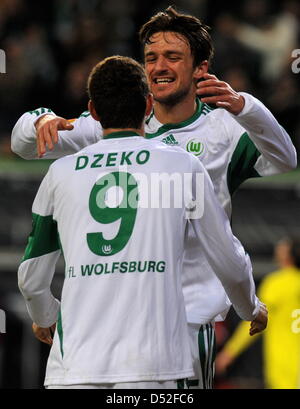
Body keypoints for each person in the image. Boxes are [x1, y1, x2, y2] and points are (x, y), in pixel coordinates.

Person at [12, 7, 296, 388]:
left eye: (173, 56)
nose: (159, 66)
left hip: (184, 323)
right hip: (112, 323)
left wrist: (244, 105)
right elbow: (24, 144)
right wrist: (39, 121)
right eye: (151, 58)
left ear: (201, 67)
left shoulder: (223, 129)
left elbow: (284, 157)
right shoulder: (115, 124)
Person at [216, 238, 300, 389]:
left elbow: (254, 321)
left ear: (289, 255)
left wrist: (229, 352)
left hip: (285, 368)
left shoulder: (277, 284)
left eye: (283, 246)